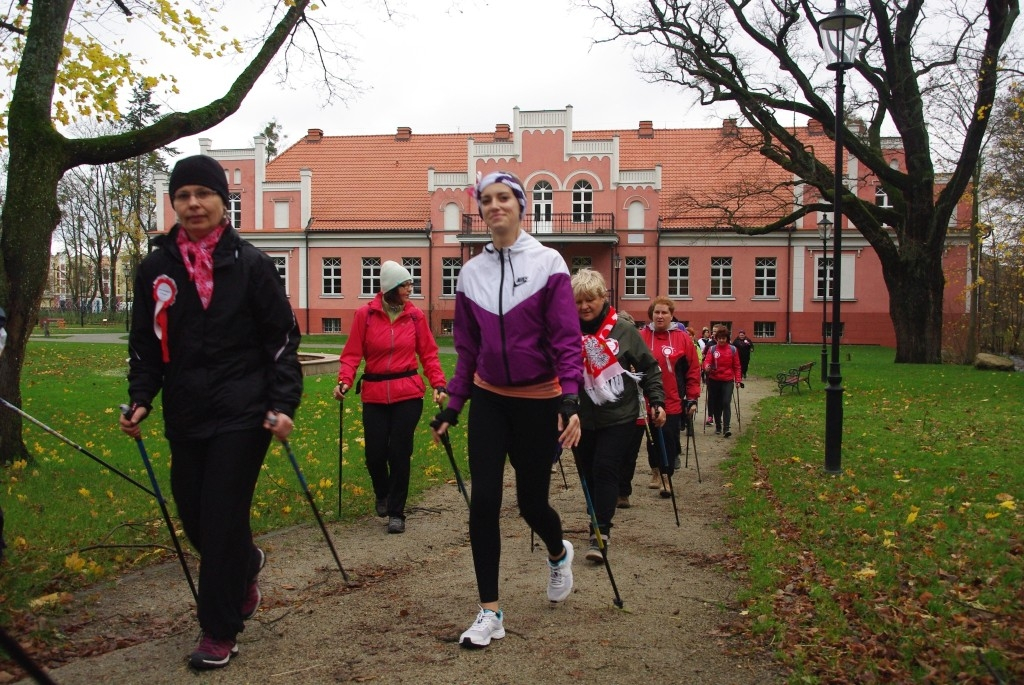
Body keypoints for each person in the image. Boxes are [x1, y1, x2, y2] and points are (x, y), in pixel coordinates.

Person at [119, 155, 303, 671]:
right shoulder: (157, 268)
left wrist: (283, 403)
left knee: (221, 519)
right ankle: (245, 565)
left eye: (203, 193)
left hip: (244, 413)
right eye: (183, 195)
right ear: (173, 204)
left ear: (224, 202)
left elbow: (282, 340)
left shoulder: (251, 264)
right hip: (187, 412)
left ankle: (219, 629)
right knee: (195, 515)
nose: (193, 203)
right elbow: (146, 343)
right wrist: (140, 397)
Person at [430, 171, 582, 649]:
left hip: (538, 402)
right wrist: (453, 407)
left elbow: (564, 339)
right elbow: (466, 350)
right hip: (491, 399)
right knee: (485, 503)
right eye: (487, 200)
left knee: (531, 503)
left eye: (504, 198)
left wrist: (570, 397)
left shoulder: (549, 263)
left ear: (521, 206)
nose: (495, 206)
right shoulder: (471, 272)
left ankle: (558, 553)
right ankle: (489, 610)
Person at [333, 261, 448, 534]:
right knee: (374, 454)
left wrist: (438, 384)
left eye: (410, 284)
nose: (411, 289)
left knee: (399, 452)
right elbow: (351, 354)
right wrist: (344, 381)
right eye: (405, 285)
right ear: (391, 288)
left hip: (408, 393)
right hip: (374, 393)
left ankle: (397, 512)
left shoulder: (416, 317)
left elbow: (429, 354)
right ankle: (382, 493)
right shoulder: (366, 315)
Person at [572, 269, 665, 564]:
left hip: (619, 414)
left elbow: (649, 368)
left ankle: (600, 532)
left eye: (590, 300)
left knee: (605, 467)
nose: (584, 307)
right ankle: (597, 513)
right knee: (588, 470)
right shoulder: (566, 330)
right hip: (582, 417)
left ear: (602, 298)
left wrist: (657, 401)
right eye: (578, 301)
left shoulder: (623, 330)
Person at [639, 297, 701, 491]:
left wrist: (692, 397)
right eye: (656, 312)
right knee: (652, 438)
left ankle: (667, 476)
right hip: (646, 397)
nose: (660, 316)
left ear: (671, 315)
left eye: (664, 312)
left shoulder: (682, 338)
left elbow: (693, 369)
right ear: (651, 315)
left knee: (669, 437)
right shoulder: (640, 336)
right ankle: (656, 470)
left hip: (672, 397)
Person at [701, 327, 742, 438]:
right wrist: (707, 367)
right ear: (716, 338)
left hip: (728, 380)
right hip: (714, 380)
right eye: (719, 338)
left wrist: (738, 380)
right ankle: (718, 425)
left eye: (723, 338)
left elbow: (737, 366)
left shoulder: (733, 350)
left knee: (726, 402)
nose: (721, 340)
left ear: (727, 338)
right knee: (716, 404)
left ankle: (726, 428)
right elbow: (707, 361)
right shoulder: (713, 349)